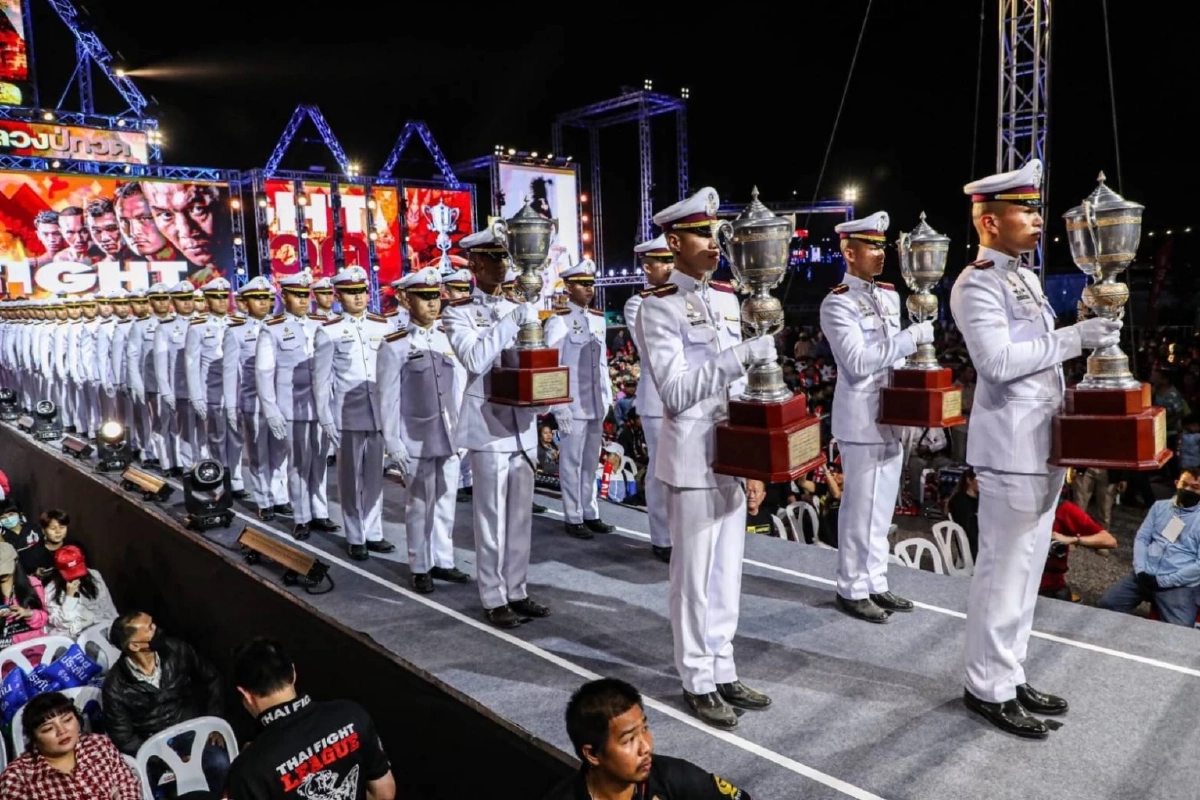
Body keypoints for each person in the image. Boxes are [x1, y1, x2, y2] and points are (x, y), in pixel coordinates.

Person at [949, 158, 1122, 738]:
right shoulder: (976, 283)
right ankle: (987, 686)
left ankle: (1009, 671)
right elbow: (997, 364)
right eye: (1024, 210)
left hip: (1038, 444)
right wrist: (1075, 337)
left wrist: (1085, 327)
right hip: (1008, 449)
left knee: (1026, 571)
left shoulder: (1022, 278)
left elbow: (1038, 360)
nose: (1036, 219)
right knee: (1003, 572)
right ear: (990, 221)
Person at [637, 187, 772, 729]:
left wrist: (754, 460)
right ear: (674, 242)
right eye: (701, 233)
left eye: (716, 232)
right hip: (692, 458)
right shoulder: (658, 306)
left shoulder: (727, 299)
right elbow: (675, 391)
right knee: (692, 578)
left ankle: (723, 666)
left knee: (727, 575)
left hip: (731, 455)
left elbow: (739, 392)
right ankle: (696, 677)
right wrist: (742, 355)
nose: (715, 242)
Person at [820, 211, 933, 623]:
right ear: (849, 253)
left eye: (883, 246)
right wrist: (910, 337)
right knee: (860, 509)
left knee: (882, 509)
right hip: (861, 418)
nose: (881, 253)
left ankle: (876, 581)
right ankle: (851, 587)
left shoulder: (889, 295)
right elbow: (857, 362)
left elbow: (893, 362)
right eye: (871, 246)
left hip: (890, 415)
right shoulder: (836, 302)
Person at [443, 225, 551, 629]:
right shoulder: (457, 312)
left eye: (505, 257)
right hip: (488, 427)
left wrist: (545, 396)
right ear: (474, 264)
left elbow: (534, 359)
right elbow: (475, 359)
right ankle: (493, 595)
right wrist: (513, 318)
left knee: (521, 518)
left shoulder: (518, 305)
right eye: (493, 257)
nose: (502, 265)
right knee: (490, 518)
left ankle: (517, 589)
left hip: (522, 424)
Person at [376, 267, 471, 592]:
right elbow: (388, 399)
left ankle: (443, 560)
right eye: (424, 297)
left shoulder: (449, 338)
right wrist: (393, 442)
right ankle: (420, 565)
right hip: (414, 437)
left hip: (450, 434)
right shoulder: (394, 345)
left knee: (446, 501)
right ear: (406, 300)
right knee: (419, 505)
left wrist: (465, 430)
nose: (432, 303)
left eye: (435, 296)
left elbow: (461, 389)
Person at [222, 637, 396, 800]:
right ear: (293, 673)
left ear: (245, 693)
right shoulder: (351, 714)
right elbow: (384, 793)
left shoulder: (248, 770)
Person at [541, 678, 752, 800]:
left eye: (645, 729)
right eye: (628, 739)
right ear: (592, 754)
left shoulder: (674, 777)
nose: (646, 747)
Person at [313, 266, 393, 560]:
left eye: (361, 291)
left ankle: (374, 532)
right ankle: (355, 535)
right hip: (346, 415)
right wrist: (325, 417)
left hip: (379, 413)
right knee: (350, 478)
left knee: (374, 477)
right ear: (338, 296)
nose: (358, 297)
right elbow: (321, 381)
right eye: (350, 292)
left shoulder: (382, 326)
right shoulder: (329, 331)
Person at [102, 611, 228, 789]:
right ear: (135, 646)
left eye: (153, 623)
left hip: (193, 733)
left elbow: (212, 678)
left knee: (219, 763)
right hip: (155, 748)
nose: (157, 629)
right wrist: (165, 759)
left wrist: (214, 722)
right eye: (150, 628)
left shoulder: (177, 650)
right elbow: (124, 738)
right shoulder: (115, 686)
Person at [256, 270, 339, 540]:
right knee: (298, 463)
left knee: (320, 461)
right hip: (292, 406)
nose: (304, 300)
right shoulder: (272, 328)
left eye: (306, 295)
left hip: (321, 405)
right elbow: (264, 372)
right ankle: (302, 516)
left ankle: (320, 512)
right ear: (285, 296)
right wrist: (271, 409)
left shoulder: (322, 324)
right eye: (297, 295)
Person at [544, 259, 616, 540]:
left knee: (590, 462)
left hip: (595, 403)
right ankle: (573, 516)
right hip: (572, 404)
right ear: (568, 287)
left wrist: (607, 397)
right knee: (571, 462)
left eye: (591, 284)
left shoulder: (597, 319)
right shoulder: (559, 320)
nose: (589, 289)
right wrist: (559, 405)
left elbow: (602, 365)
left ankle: (590, 511)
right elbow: (553, 366)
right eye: (582, 284)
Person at [623, 234, 674, 562]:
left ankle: (681, 532)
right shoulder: (638, 304)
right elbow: (650, 350)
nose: (670, 267)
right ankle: (662, 536)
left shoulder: (686, 297)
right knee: (660, 467)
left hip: (689, 396)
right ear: (647, 267)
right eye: (663, 262)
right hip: (657, 398)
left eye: (672, 260)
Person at [1098, 466, 1200, 626]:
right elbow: (1142, 538)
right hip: (1145, 574)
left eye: (1195, 487)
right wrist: (1140, 570)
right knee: (1106, 606)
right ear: (1176, 483)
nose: (1188, 490)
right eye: (1184, 484)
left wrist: (1163, 581)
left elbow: (1198, 566)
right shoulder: (1159, 507)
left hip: (1177, 584)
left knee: (1180, 631)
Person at [224, 276, 289, 521]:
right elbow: (231, 372)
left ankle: (280, 497)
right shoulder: (236, 332)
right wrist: (231, 406)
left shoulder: (280, 327)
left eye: (266, 298)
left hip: (279, 400)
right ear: (245, 303)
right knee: (259, 453)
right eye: (257, 298)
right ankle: (264, 500)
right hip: (253, 401)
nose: (263, 303)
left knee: (281, 452)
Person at [0, 691, 142, 799]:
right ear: (33, 738)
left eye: (67, 720)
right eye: (48, 729)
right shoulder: (17, 778)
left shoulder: (99, 745)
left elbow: (128, 788)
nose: (62, 731)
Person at [186, 275, 250, 500]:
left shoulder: (239, 323)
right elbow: (192, 364)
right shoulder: (198, 327)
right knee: (216, 438)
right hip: (212, 391)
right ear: (207, 300)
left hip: (236, 391)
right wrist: (196, 396)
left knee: (237, 437)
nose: (222, 301)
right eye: (216, 297)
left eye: (224, 296)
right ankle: (219, 478)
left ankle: (236, 478)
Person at [44, 545, 119, 637]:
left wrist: (116, 628)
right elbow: (63, 625)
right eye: (70, 573)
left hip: (100, 630)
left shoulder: (95, 576)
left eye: (78, 570)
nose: (76, 577)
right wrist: (69, 598)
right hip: (71, 636)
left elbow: (108, 608)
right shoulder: (50, 591)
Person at [0, 540, 48, 647]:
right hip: (6, 651)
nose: (2, 575)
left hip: (36, 646)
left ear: (16, 561)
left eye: (4, 569)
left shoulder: (33, 584)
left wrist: (29, 614)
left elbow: (44, 618)